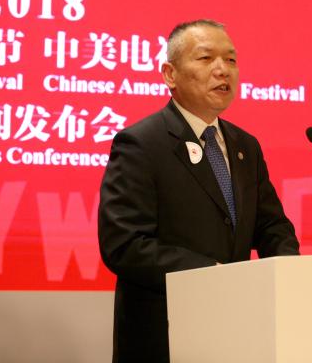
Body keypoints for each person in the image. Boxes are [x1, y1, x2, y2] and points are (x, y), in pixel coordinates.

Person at [98, 19, 300, 363]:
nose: (223, 70)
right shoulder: (141, 144)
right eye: (206, 58)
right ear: (170, 74)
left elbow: (271, 226)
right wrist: (213, 274)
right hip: (164, 335)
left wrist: (289, 273)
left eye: (231, 60)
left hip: (238, 330)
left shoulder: (245, 146)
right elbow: (124, 245)